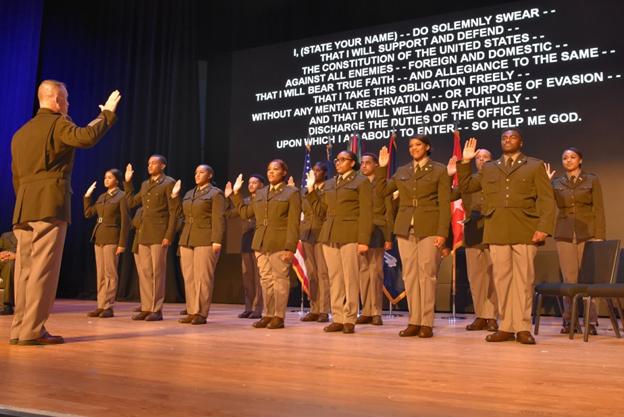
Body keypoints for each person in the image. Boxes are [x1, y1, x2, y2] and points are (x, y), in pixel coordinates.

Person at [10, 80, 120, 345]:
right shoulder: (58, 122)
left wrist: (27, 199)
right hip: (50, 204)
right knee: (43, 271)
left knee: (24, 271)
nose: (68, 104)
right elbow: (85, 137)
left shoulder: (20, 133)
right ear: (57, 101)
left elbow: (16, 176)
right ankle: (33, 331)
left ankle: (19, 329)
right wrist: (106, 114)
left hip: (24, 207)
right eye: (67, 100)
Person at [458, 130, 555, 344]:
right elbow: (466, 187)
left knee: (523, 281)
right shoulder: (490, 168)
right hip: (497, 229)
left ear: (521, 141)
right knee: (502, 280)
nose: (507, 140)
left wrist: (544, 227)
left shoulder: (534, 165)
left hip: (525, 228)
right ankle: (506, 327)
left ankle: (522, 327)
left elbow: (547, 200)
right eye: (504, 138)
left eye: (512, 137)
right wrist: (465, 161)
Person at [377, 135, 451, 338]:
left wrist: (442, 232)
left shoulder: (438, 169)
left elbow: (445, 204)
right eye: (411, 146)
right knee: (410, 276)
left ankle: (426, 322)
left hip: (430, 227)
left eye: (418, 145)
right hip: (405, 228)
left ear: (427, 147)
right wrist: (382, 168)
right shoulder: (402, 171)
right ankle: (414, 321)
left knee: (427, 275)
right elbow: (381, 190)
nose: (414, 148)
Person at [305, 150, 372, 334]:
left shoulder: (361, 182)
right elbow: (320, 211)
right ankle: (338, 317)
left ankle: (350, 318)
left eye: (343, 160)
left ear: (352, 163)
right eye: (337, 160)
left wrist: (364, 240)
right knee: (335, 278)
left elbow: (366, 213)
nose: (338, 162)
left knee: (350, 278)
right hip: (329, 234)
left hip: (350, 234)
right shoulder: (329, 184)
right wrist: (311, 191)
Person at [229, 160, 301, 329]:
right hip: (261, 242)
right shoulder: (261, 193)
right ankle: (268, 314)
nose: (271, 172)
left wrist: (290, 247)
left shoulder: (291, 192)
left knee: (280, 280)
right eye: (269, 169)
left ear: (284, 172)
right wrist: (236, 194)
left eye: (275, 169)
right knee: (266, 280)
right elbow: (246, 212)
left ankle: (278, 316)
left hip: (280, 242)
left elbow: (293, 222)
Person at [546, 148, 605, 335]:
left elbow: (599, 209)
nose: (568, 160)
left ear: (580, 160)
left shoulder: (592, 179)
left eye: (572, 157)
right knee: (569, 279)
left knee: (589, 279)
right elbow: (545, 204)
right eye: (565, 158)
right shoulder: (556, 182)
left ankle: (591, 321)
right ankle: (570, 320)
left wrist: (600, 234)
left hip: (587, 232)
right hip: (564, 233)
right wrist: (545, 184)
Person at [448, 151, 499, 332]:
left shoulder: (497, 178)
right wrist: (449, 175)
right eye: (478, 158)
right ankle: (481, 316)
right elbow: (449, 195)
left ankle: (493, 316)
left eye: (485, 157)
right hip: (472, 231)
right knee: (476, 277)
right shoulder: (468, 181)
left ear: (491, 160)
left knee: (493, 276)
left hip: (492, 229)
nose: (481, 160)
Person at [124, 155, 177, 321]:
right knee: (145, 272)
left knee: (157, 272)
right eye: (148, 163)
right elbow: (132, 202)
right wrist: (127, 182)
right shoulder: (145, 184)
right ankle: (146, 307)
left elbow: (174, 211)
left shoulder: (169, 183)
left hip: (159, 233)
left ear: (162, 166)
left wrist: (169, 235)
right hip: (144, 232)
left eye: (154, 163)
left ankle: (156, 309)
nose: (150, 166)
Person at [171, 165, 226, 325]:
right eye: (196, 172)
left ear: (209, 175)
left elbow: (219, 218)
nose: (197, 175)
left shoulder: (216, 193)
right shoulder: (189, 193)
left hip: (205, 238)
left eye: (201, 172)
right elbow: (181, 214)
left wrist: (217, 240)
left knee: (203, 278)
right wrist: (174, 197)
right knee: (189, 277)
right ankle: (191, 310)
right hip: (187, 239)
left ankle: (201, 313)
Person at [84, 169, 130, 318]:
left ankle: (108, 306)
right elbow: (89, 213)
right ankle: (101, 305)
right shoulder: (102, 196)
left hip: (112, 237)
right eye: (105, 177)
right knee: (101, 274)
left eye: (110, 177)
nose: (106, 180)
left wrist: (122, 243)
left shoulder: (121, 196)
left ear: (117, 180)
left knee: (110, 273)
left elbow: (125, 221)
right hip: (99, 237)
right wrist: (87, 196)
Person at [357, 153, 394, 326]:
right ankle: (365, 311)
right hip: (360, 230)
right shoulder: (357, 183)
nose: (364, 166)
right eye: (362, 163)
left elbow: (389, 212)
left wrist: (389, 236)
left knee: (376, 273)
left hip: (378, 229)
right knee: (363, 273)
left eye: (368, 163)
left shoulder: (382, 184)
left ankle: (376, 311)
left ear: (375, 165)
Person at [225, 174, 265, 320]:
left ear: (261, 185)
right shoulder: (246, 201)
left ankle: (258, 308)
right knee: (247, 276)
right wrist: (229, 197)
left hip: (259, 239)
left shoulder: (264, 199)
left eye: (254, 183)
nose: (250, 185)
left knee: (259, 278)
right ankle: (248, 308)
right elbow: (229, 214)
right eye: (249, 183)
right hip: (246, 239)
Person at [299, 162, 331, 323]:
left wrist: (312, 191)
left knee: (323, 274)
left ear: (325, 173)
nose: (315, 173)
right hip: (307, 234)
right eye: (313, 171)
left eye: (318, 171)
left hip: (321, 234)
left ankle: (324, 310)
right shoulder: (304, 191)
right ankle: (314, 308)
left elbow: (323, 210)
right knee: (311, 274)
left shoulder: (328, 190)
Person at [0, 231, 17, 315]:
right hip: (2, 262)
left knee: (10, 266)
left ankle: (7, 305)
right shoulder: (5, 235)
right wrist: (1, 255)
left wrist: (16, 256)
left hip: (17, 263)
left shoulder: (30, 236)